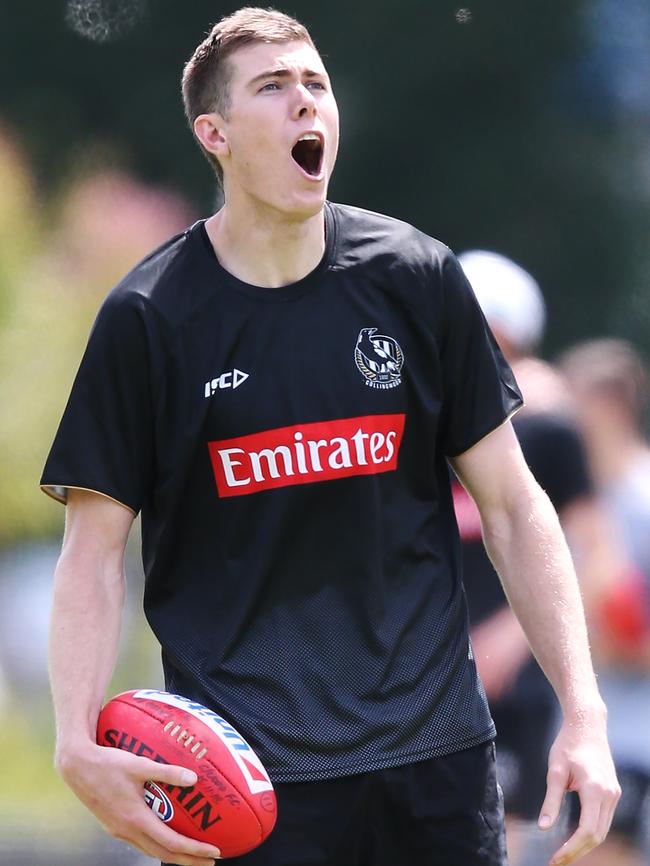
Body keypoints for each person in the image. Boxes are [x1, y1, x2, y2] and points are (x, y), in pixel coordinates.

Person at [42, 8, 619, 866]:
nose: (305, 103)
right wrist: (73, 740)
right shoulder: (149, 319)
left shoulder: (415, 279)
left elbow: (514, 507)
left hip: (437, 764)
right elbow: (92, 554)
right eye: (272, 88)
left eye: (316, 84)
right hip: (246, 785)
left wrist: (584, 711)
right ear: (216, 133)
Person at [455, 251, 625, 866]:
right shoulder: (416, 422)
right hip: (424, 679)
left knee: (511, 842)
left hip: (515, 689)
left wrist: (515, 635)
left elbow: (593, 555)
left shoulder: (548, 433)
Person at [560, 339, 650, 866]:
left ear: (611, 405)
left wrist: (616, 635)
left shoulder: (642, 498)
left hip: (633, 738)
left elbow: (631, 636)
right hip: (574, 732)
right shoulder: (572, 493)